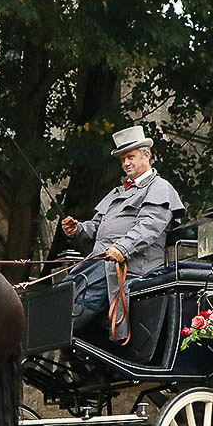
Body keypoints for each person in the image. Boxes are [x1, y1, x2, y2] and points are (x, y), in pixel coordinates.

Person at [60, 125, 184, 343]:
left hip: (132, 268)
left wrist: (122, 248)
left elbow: (149, 226)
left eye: (131, 157)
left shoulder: (160, 188)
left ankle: (59, 329)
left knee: (83, 289)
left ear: (147, 155)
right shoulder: (118, 193)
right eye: (122, 159)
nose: (126, 163)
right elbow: (96, 227)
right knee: (67, 284)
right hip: (98, 263)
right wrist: (78, 229)